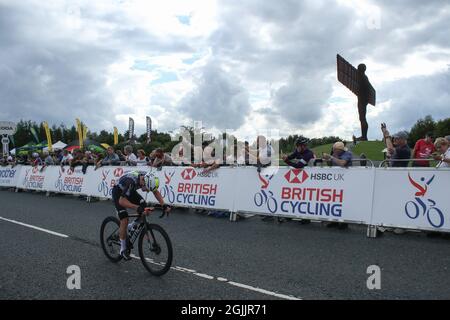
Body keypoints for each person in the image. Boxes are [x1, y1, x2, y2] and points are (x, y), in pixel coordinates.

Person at [112, 170, 171, 260]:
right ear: (143, 182)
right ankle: (122, 249)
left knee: (144, 207)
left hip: (130, 191)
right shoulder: (130, 182)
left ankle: (130, 226)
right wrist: (136, 207)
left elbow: (154, 191)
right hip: (119, 193)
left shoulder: (147, 178)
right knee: (124, 219)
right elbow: (121, 201)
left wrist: (163, 205)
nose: (147, 191)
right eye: (147, 188)